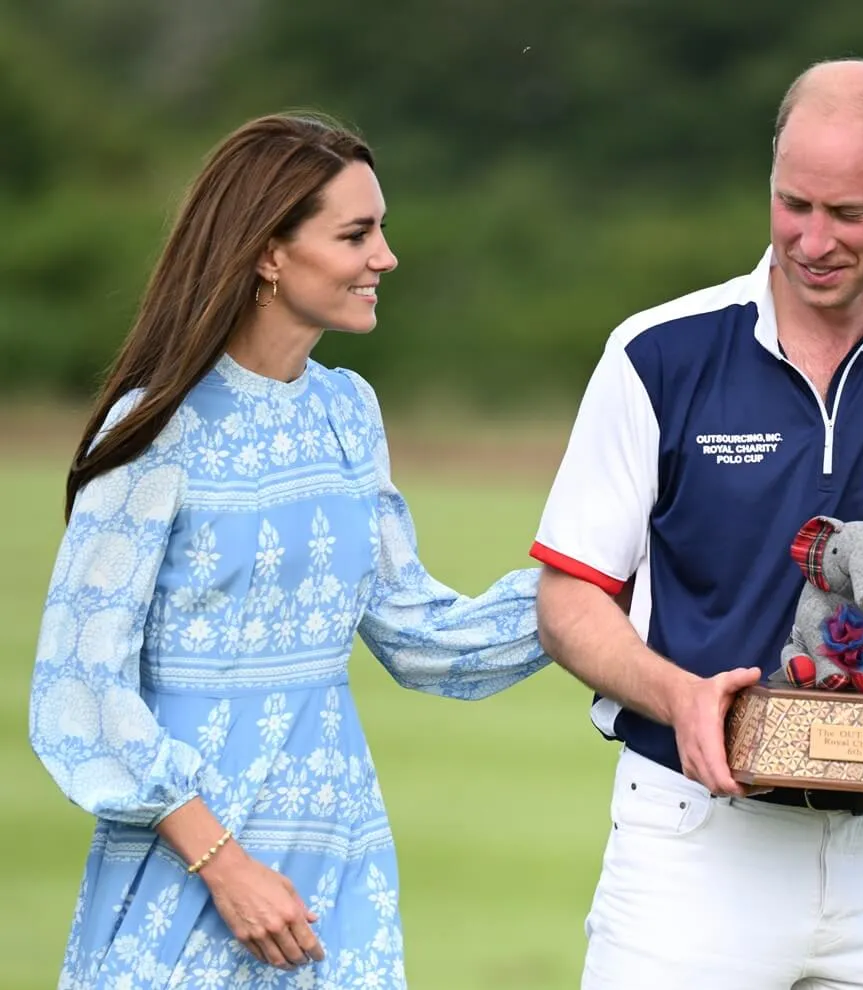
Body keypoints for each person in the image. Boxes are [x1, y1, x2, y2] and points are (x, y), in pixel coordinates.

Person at [530, 58, 863, 989]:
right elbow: (570, 597)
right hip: (691, 847)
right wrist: (679, 697)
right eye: (793, 205)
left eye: (848, 214)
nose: (812, 241)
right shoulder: (656, 353)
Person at [29, 112, 548, 989]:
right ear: (268, 252)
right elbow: (80, 687)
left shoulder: (348, 412)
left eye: (380, 229)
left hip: (331, 858)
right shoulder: (154, 431)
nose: (385, 256)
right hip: (189, 869)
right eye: (357, 234)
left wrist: (604, 582)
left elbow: (420, 635)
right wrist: (224, 867)